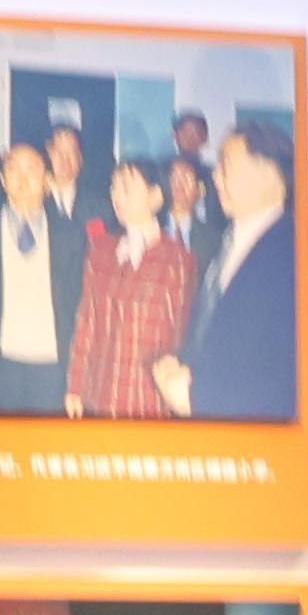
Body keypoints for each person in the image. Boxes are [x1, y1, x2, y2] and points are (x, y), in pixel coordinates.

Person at [184, 126, 307, 421]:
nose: (216, 177)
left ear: (269, 173)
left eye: (226, 166)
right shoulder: (226, 241)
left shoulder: (293, 254)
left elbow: (282, 376)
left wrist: (196, 399)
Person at [71, 151, 196, 422]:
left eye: (127, 187)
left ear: (155, 197)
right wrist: (75, 387)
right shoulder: (100, 250)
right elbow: (86, 323)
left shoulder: (177, 259)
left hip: (150, 399)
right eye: (114, 187)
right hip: (101, 394)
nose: (117, 195)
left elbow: (181, 333)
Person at [0, 130, 76, 415]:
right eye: (13, 169)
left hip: (52, 366)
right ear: (2, 179)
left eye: (32, 170)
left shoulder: (71, 235)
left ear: (47, 181)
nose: (22, 178)